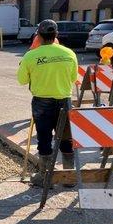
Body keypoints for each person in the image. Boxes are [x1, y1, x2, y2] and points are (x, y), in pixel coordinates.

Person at [17, 19, 78, 187]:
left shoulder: (31, 56)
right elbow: (73, 78)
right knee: (66, 139)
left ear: (39, 36)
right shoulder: (69, 54)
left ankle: (45, 178)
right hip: (64, 101)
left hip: (42, 103)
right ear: (56, 35)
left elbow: (22, 80)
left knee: (44, 139)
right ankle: (68, 176)